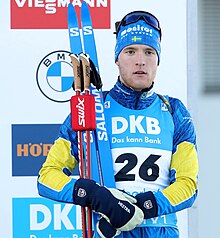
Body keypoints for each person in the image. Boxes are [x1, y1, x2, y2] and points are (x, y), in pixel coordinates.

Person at [37, 10, 198, 238]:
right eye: (130, 51)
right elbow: (47, 178)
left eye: (149, 52)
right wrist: (94, 195)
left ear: (158, 60)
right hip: (108, 233)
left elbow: (188, 186)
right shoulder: (91, 108)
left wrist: (142, 206)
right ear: (117, 58)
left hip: (160, 232)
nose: (140, 60)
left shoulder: (174, 111)